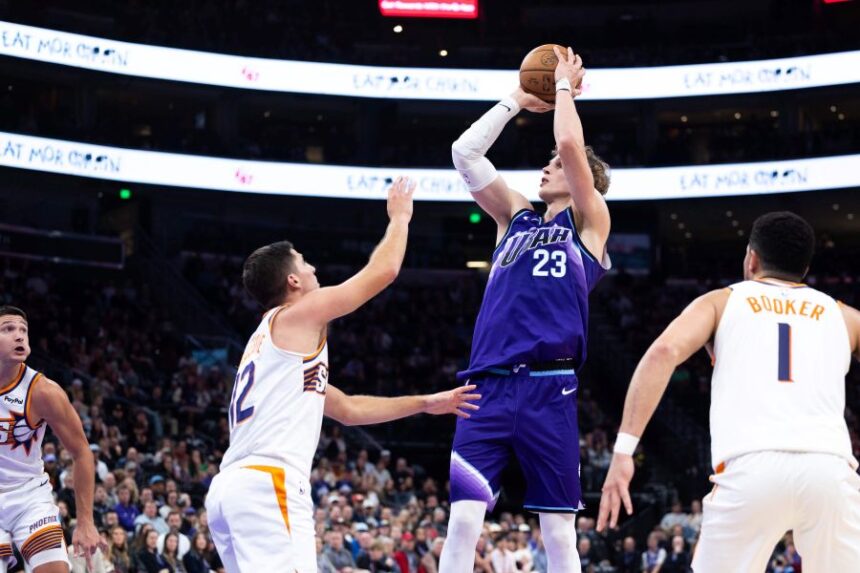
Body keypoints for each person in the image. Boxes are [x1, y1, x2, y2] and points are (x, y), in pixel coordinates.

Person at [205, 177, 480, 572]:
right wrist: (400, 218)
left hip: (232, 489)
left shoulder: (271, 347)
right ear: (292, 280)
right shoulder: (297, 315)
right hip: (268, 482)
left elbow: (349, 409)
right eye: (305, 262)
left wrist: (426, 402)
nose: (314, 268)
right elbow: (383, 271)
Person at [598, 211, 860, 571]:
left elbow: (663, 352)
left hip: (751, 466)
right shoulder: (843, 315)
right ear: (805, 267)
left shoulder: (722, 301)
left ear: (751, 258)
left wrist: (624, 450)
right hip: (829, 468)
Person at [440, 47, 611, 573]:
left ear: (582, 181)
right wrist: (517, 97)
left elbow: (569, 144)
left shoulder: (590, 223)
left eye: (556, 166)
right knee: (462, 522)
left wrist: (561, 86)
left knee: (558, 533)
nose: (547, 166)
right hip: (486, 387)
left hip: (549, 387)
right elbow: (465, 153)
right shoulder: (514, 216)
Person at [0, 305, 103, 572]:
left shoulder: (44, 391)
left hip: (28, 497)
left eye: (23, 330)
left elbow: (82, 452)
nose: (19, 335)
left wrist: (85, 522)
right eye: (8, 329)